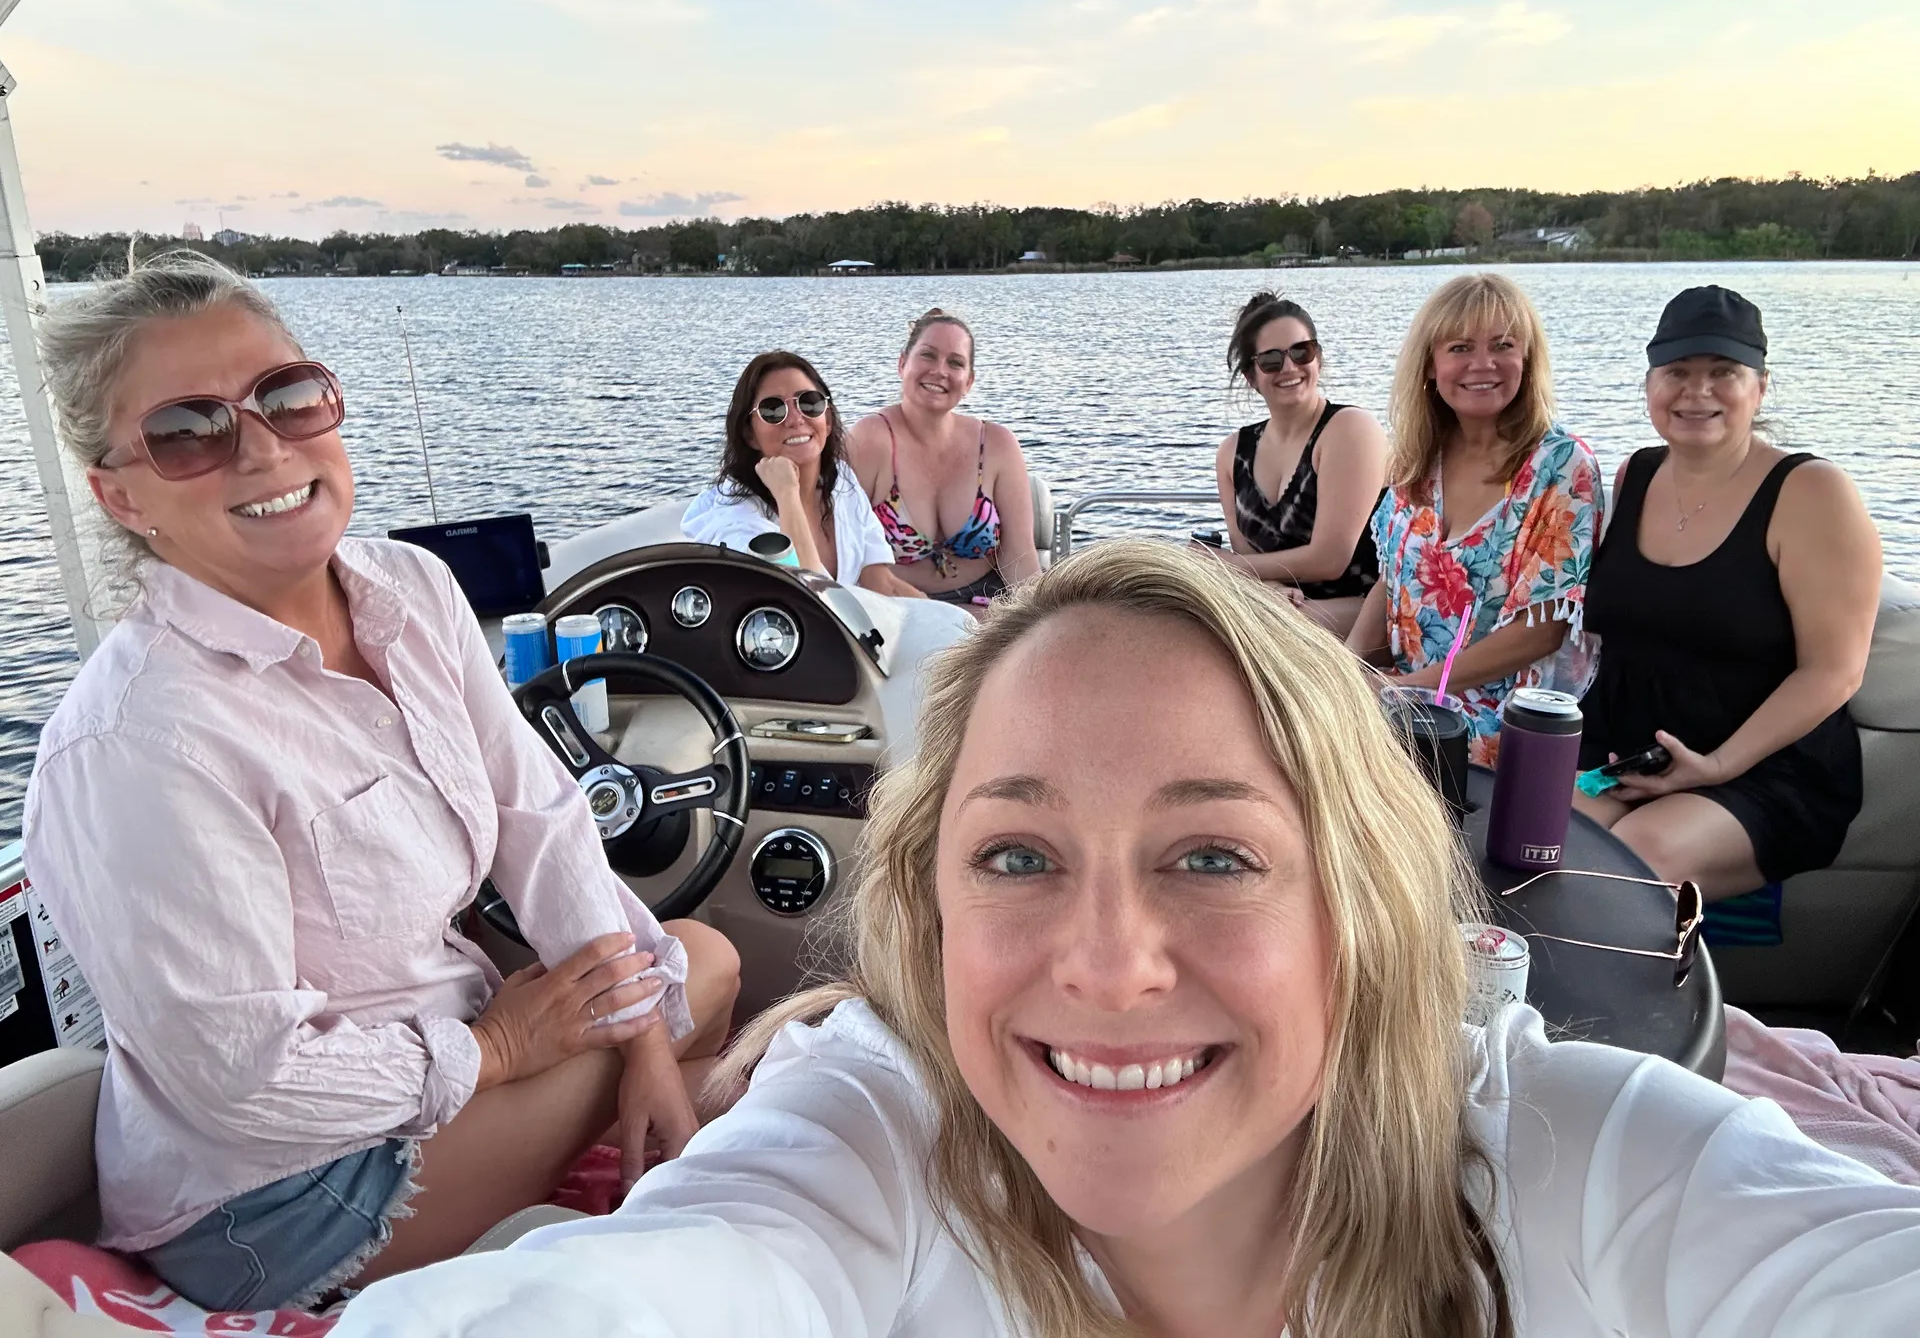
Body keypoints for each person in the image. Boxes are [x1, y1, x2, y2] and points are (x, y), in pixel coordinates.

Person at [336, 543, 1920, 1338]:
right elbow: (669, 1283)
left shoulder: (1563, 1160)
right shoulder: (878, 1131)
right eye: (1015, 853)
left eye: (1213, 854)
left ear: (1357, 909)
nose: (1105, 965)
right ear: (930, 910)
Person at [23, 251, 740, 1313]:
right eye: (188, 431)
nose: (263, 448)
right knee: (698, 996)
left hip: (443, 1064)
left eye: (287, 397)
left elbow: (533, 815)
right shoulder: (139, 741)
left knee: (701, 965)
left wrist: (636, 1034)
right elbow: (245, 1080)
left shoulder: (409, 588)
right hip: (273, 1190)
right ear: (120, 496)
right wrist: (497, 1050)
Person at [1575, 286, 1880, 900]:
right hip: (1634, 753)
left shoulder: (1813, 493)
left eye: (1723, 372)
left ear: (1760, 387)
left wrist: (1716, 766)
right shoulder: (1637, 473)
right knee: (1528, 841)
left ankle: (1708, 1003)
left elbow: (1834, 672)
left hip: (1762, 767)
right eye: (1677, 372)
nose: (1697, 391)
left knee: (1625, 868)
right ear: (1649, 385)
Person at [1347, 273, 1603, 765]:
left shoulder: (1561, 467)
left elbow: (1543, 629)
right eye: (1460, 347)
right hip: (1403, 703)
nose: (1482, 365)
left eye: (1503, 345)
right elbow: (1394, 577)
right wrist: (1351, 666)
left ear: (1526, 361)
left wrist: (1402, 691)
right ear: (1430, 365)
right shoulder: (1418, 458)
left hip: (1502, 723)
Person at [1205, 292, 1385, 636]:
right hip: (1281, 609)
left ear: (1318, 359)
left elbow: (1330, 560)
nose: (1290, 367)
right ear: (1250, 376)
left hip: (1364, 610)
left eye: (1302, 352)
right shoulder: (1232, 454)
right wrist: (1268, 589)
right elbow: (1252, 565)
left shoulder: (1349, 429)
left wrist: (1225, 566)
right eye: (1271, 360)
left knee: (1238, 634)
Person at [684, 350, 922, 597]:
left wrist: (955, 624)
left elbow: (881, 583)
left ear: (827, 420)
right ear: (750, 435)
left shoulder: (841, 482)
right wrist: (787, 494)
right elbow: (810, 597)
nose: (796, 419)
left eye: (809, 403)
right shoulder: (734, 519)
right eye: (773, 410)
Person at [845, 309, 1040, 605]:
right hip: (896, 609)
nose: (940, 371)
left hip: (988, 609)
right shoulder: (869, 440)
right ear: (902, 364)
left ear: (969, 381)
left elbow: (1020, 558)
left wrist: (1037, 626)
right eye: (927, 355)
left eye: (955, 362)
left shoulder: (997, 444)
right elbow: (843, 554)